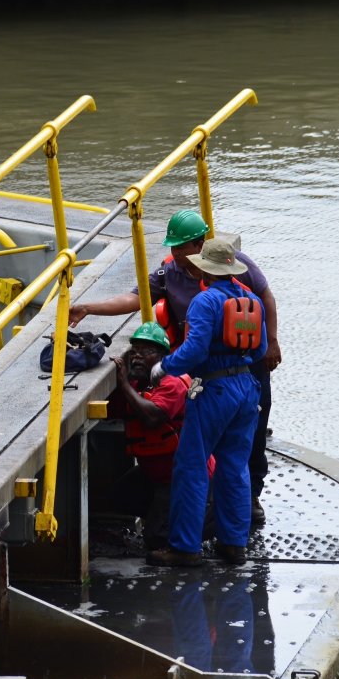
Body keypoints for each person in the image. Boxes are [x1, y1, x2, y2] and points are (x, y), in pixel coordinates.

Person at [69, 209, 281, 525]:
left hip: (243, 367)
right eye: (173, 248)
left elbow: (265, 299)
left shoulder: (232, 267)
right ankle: (229, 530)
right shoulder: (170, 273)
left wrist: (161, 369)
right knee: (227, 445)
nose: (175, 254)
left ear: (199, 245)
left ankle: (231, 511)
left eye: (181, 248)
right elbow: (135, 298)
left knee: (243, 440)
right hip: (214, 371)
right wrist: (88, 307)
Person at [146, 236, 267, 568]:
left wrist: (165, 366)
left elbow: (195, 349)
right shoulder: (251, 299)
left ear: (205, 270)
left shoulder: (206, 301)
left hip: (213, 389)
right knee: (234, 468)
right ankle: (233, 544)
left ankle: (184, 547)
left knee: (192, 466)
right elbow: (259, 350)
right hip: (246, 387)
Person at [107, 321, 203, 550]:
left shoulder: (172, 382)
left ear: (162, 357)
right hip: (156, 474)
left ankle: (184, 523)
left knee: (157, 542)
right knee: (118, 496)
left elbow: (152, 418)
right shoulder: (139, 384)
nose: (138, 357)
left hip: (181, 477)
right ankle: (162, 515)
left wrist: (123, 384)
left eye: (146, 351)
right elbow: (112, 411)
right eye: (135, 351)